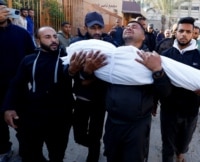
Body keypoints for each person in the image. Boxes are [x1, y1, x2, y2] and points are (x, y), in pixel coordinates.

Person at [102, 20, 172, 162]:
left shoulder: (152, 58)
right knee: (112, 157)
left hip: (137, 126)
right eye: (127, 27)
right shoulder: (113, 55)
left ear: (143, 36)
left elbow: (165, 92)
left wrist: (157, 71)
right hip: (112, 122)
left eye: (134, 27)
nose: (129, 28)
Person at [3, 26, 74, 162]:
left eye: (54, 36)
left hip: (60, 117)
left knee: (57, 154)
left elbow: (75, 74)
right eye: (47, 37)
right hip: (34, 115)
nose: (53, 40)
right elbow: (16, 84)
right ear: (37, 41)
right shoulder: (28, 60)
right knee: (31, 153)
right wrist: (8, 107)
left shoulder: (67, 58)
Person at [160, 17, 200, 162]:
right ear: (176, 32)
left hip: (191, 108)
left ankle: (181, 152)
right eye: (181, 31)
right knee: (167, 142)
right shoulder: (166, 55)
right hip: (169, 107)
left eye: (188, 32)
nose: (184, 34)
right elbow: (159, 80)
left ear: (194, 33)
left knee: (185, 138)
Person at [70, 11, 116, 162]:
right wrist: (85, 75)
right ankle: (95, 145)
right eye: (93, 28)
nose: (96, 31)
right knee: (79, 135)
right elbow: (71, 71)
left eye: (99, 27)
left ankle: (94, 153)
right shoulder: (76, 44)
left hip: (100, 99)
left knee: (95, 133)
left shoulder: (110, 45)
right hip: (82, 97)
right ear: (85, 27)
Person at [0, 1, 35, 161]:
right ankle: (4, 149)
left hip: (18, 87)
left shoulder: (21, 33)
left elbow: (32, 57)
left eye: (2, 9)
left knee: (23, 123)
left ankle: (26, 150)